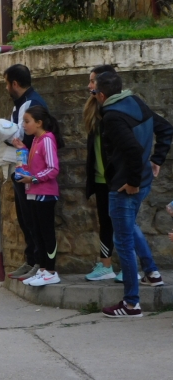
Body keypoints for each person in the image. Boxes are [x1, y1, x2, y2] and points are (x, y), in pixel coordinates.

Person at [95, 72, 173, 318]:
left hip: (124, 188)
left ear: (101, 95)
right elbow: (166, 129)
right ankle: (152, 272)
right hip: (144, 181)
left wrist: (132, 183)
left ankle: (131, 304)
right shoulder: (136, 102)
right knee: (128, 228)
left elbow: (131, 148)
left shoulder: (111, 116)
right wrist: (156, 160)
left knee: (123, 242)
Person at [0, 64, 48, 282]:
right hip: (21, 169)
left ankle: (40, 263)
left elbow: (24, 137)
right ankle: (31, 259)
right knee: (24, 218)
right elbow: (14, 133)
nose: (6, 87)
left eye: (7, 83)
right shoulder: (20, 105)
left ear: (14, 84)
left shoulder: (32, 105)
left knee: (34, 220)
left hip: (32, 172)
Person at [11, 106, 63, 286]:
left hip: (45, 194)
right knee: (36, 232)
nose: (24, 125)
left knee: (46, 232)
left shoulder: (47, 139)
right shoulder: (35, 141)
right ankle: (42, 269)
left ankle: (51, 270)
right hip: (33, 193)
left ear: (39, 123)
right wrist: (21, 150)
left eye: (27, 121)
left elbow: (53, 168)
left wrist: (33, 179)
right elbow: (30, 164)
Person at [83, 65, 118, 282]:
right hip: (100, 179)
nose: (89, 85)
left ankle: (130, 267)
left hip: (118, 180)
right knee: (105, 223)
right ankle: (106, 266)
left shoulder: (116, 111)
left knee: (124, 225)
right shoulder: (94, 110)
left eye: (93, 81)